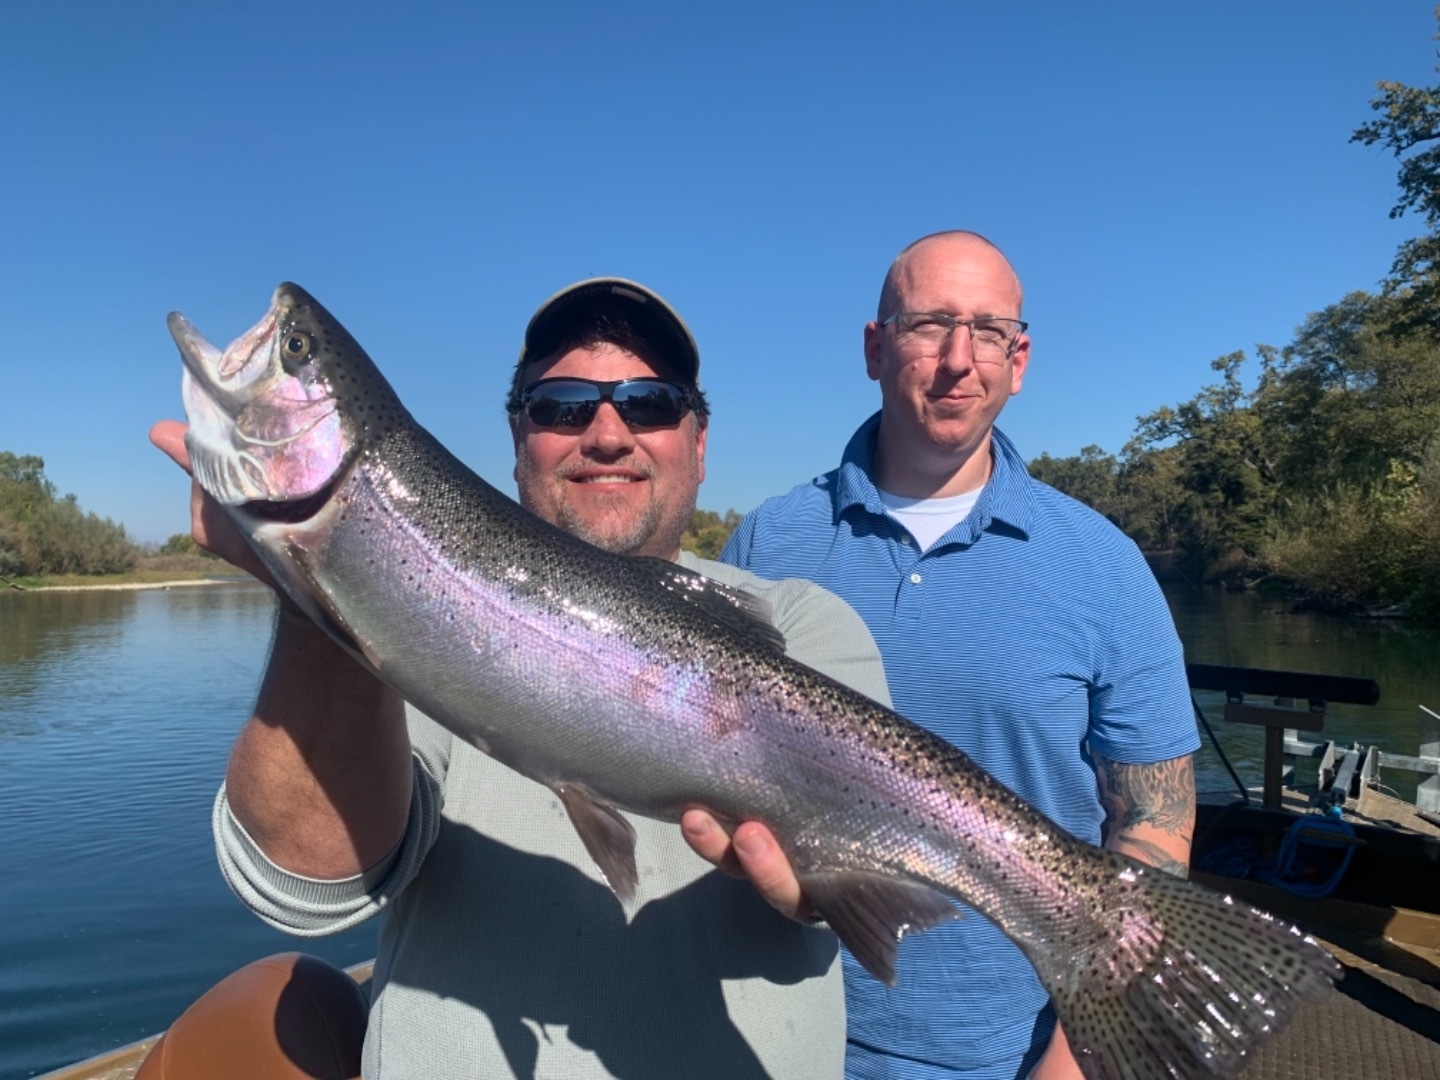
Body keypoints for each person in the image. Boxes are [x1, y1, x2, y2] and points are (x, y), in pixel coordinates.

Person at [149, 278, 892, 1080]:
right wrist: (317, 590)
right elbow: (302, 887)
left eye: (649, 402)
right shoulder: (423, 627)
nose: (608, 433)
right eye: (563, 405)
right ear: (516, 438)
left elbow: (888, 857)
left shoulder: (804, 631)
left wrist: (844, 883)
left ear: (700, 443)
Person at [716, 232, 1201, 1080]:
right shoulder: (764, 541)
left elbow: (1156, 822)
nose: (956, 360)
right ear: (874, 348)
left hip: (1002, 1058)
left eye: (988, 332)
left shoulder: (1104, 565)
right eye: (928, 324)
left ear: (1020, 360)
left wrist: (1076, 1058)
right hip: (776, 1030)